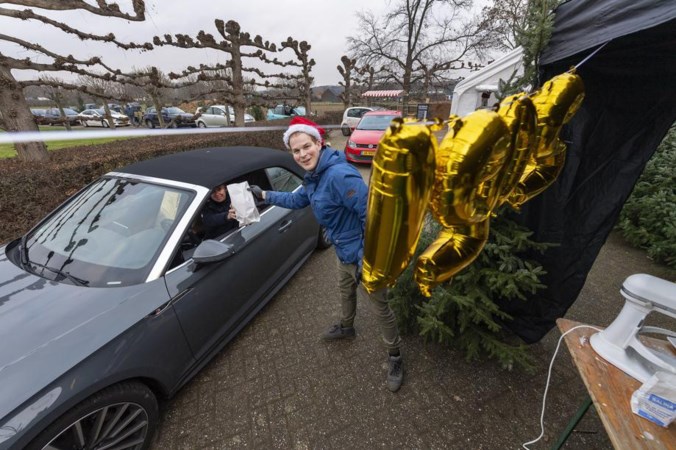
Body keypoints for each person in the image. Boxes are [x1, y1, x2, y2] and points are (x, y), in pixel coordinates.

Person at [248, 117, 404, 392]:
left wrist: (366, 259)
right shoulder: (315, 176)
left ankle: (395, 356)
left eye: (306, 146)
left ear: (318, 143)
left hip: (362, 254)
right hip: (343, 250)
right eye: (295, 151)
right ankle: (347, 327)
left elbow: (373, 217)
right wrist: (265, 196)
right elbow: (298, 200)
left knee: (380, 307)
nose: (302, 154)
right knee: (345, 291)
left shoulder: (339, 176)